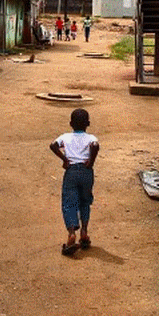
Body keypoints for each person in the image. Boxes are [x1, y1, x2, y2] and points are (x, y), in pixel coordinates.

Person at [49, 108, 99, 256]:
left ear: (71, 123)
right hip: (86, 171)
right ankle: (84, 232)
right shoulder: (91, 138)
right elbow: (95, 146)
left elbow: (53, 145)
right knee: (85, 201)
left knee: (69, 202)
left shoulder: (65, 136)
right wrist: (91, 162)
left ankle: (71, 234)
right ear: (88, 123)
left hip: (71, 172)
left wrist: (65, 159)